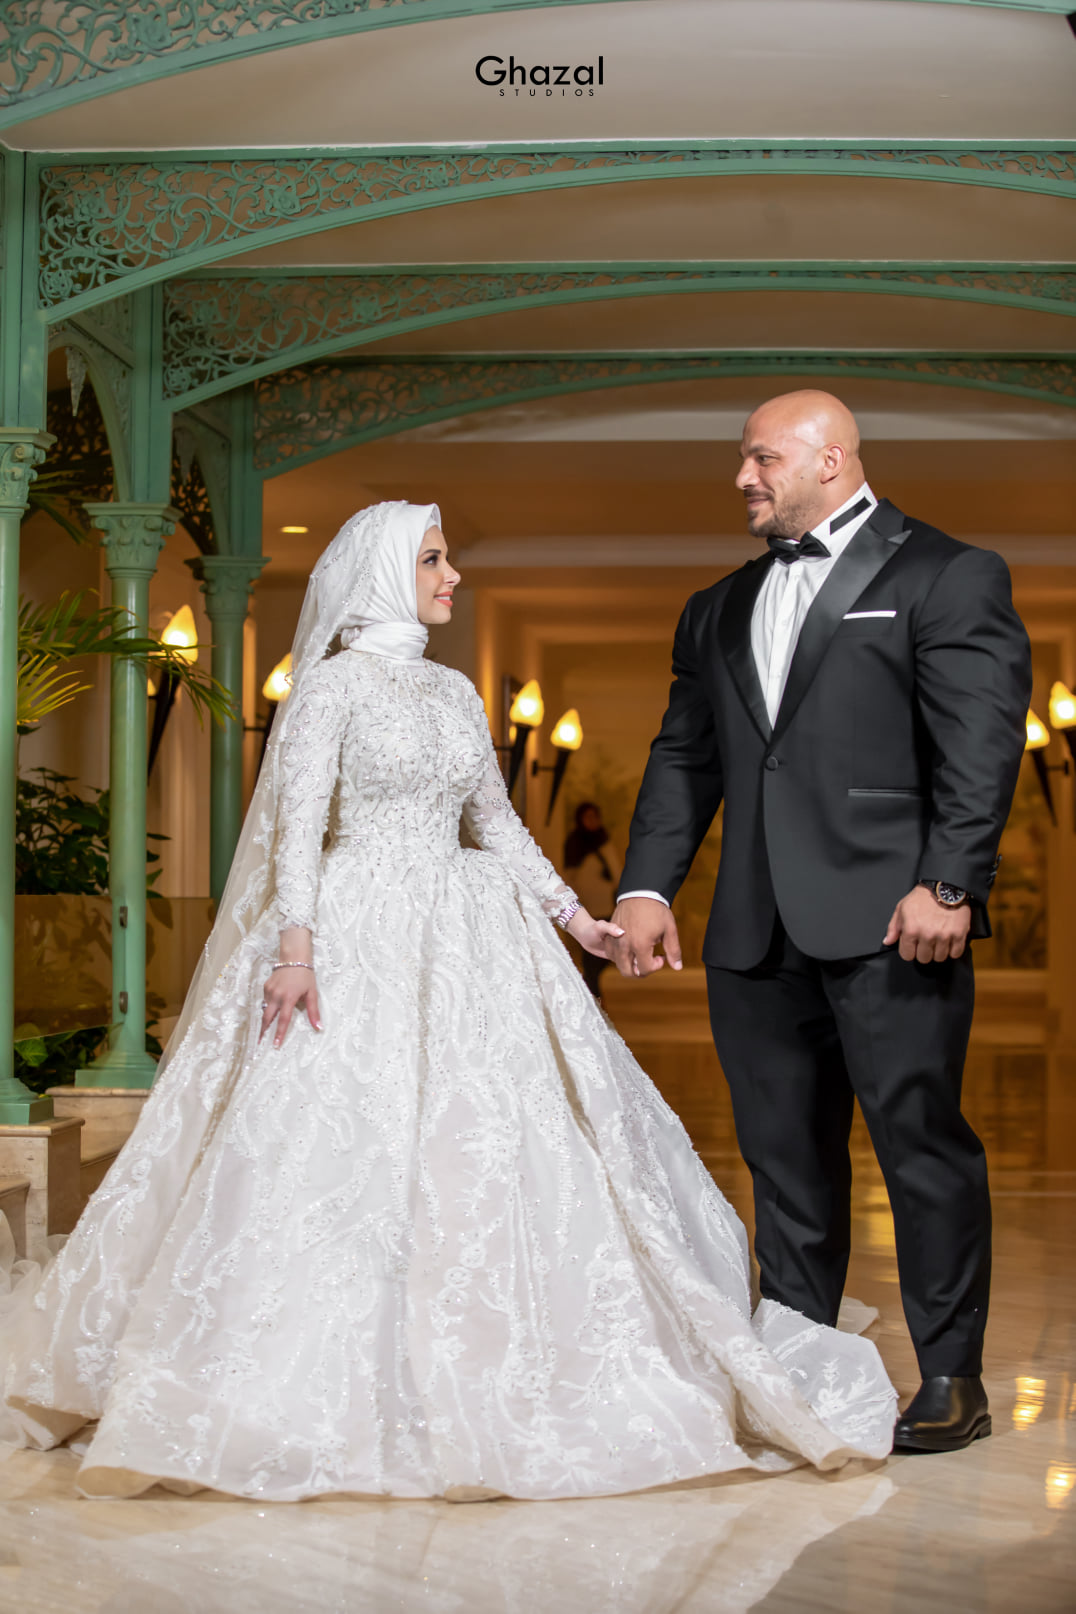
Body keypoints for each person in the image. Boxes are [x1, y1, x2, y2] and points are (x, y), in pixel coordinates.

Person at [0, 500, 896, 1502]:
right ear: (386, 573)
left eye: (448, 559)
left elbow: (495, 825)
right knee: (336, 1140)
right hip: (353, 928)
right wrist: (295, 948)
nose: (451, 576)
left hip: (465, 929)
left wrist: (579, 920)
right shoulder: (331, 687)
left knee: (490, 1139)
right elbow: (298, 824)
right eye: (432, 560)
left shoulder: (455, 689)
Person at [612, 391, 1032, 1455]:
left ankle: (951, 1378)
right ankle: (799, 1373)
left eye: (761, 459)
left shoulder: (946, 573)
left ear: (830, 460)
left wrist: (948, 884)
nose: (742, 478)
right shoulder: (714, 607)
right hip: (752, 930)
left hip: (896, 920)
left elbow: (981, 742)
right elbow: (684, 756)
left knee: (920, 1150)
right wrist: (646, 887)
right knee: (782, 1161)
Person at [563, 801, 622, 999]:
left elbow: (615, 869)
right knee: (591, 950)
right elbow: (569, 875)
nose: (592, 821)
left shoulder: (603, 840)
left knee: (607, 948)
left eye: (594, 817)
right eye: (588, 817)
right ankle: (593, 991)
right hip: (587, 906)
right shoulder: (574, 843)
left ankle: (592, 987)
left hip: (606, 903)